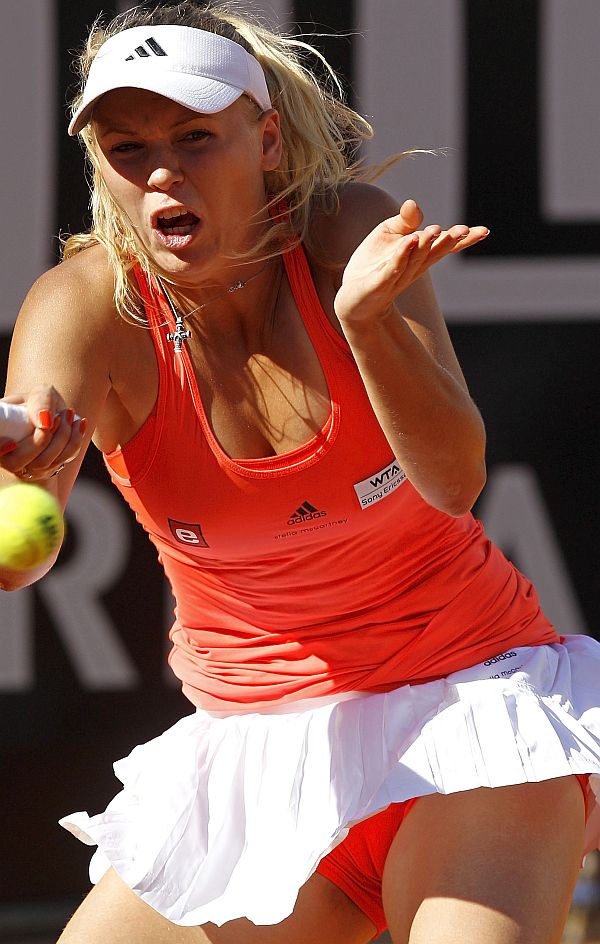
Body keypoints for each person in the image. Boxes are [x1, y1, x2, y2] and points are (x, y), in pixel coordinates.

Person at [1, 2, 599, 942]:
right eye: (128, 148)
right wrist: (18, 479)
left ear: (269, 139)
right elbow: (19, 551)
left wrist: (365, 324)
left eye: (195, 137)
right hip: (255, 760)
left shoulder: (348, 233)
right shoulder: (81, 309)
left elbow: (454, 481)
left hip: (470, 711)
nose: (161, 171)